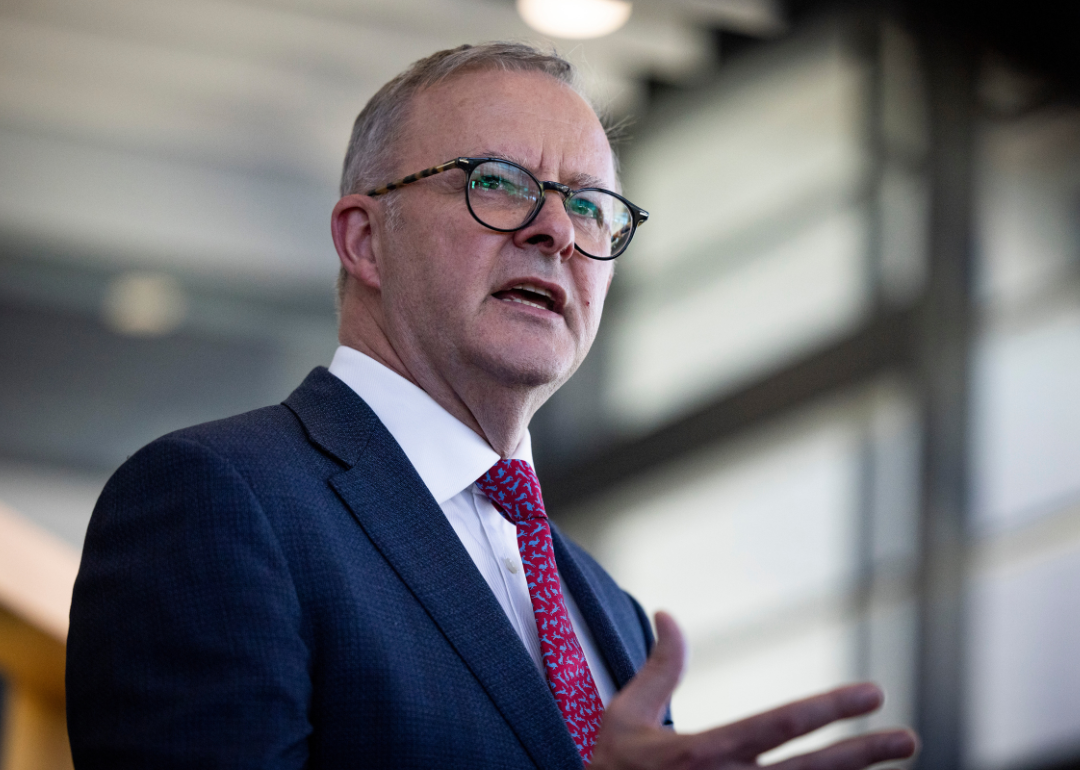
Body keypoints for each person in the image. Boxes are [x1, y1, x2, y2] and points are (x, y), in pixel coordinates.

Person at [66, 43, 917, 769]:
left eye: (589, 204)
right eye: (500, 183)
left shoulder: (609, 608)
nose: (555, 231)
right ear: (366, 239)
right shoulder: (217, 500)